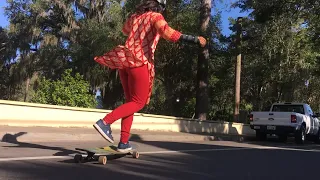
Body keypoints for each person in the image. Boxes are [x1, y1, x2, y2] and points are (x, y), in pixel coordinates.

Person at [93, 0, 207, 152]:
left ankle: (124, 143)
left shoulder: (135, 16)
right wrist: (194, 39)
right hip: (140, 62)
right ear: (160, 6)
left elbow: (125, 30)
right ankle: (105, 122)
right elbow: (168, 33)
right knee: (138, 103)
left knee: (130, 103)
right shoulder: (156, 16)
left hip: (125, 61)